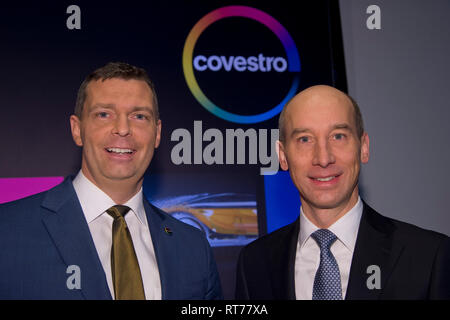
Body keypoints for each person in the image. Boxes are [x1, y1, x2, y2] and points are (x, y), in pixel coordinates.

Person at [0, 62, 223, 300]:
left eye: (139, 116)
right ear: (77, 129)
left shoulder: (192, 247)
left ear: (157, 133)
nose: (123, 129)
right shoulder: (7, 231)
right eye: (104, 114)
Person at [235, 85, 450, 300]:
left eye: (338, 136)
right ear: (283, 156)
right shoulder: (254, 264)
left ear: (363, 147)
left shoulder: (428, 257)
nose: (323, 158)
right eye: (305, 139)